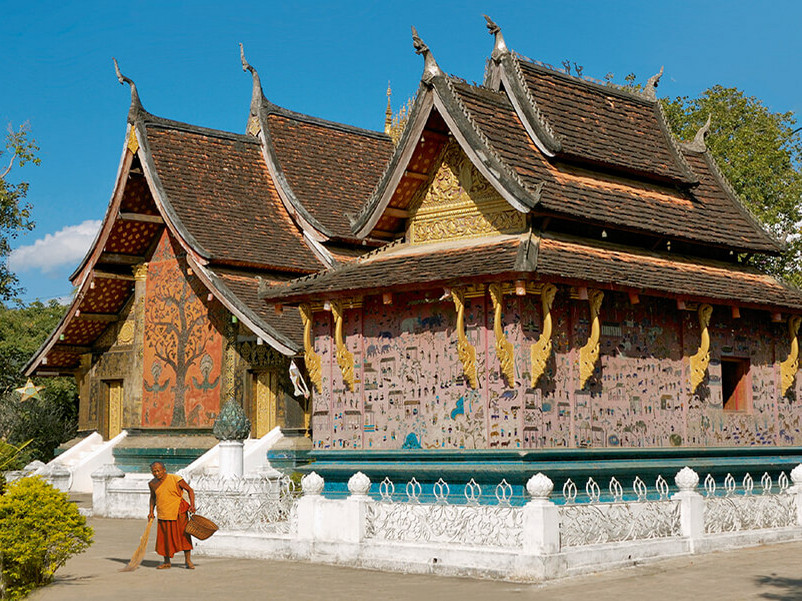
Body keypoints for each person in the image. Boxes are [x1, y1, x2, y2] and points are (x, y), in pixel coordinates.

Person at [148, 461, 196, 569]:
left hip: (179, 511)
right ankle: (166, 562)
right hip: (163, 513)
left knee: (184, 536)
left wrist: (192, 505)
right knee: (164, 538)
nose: (156, 473)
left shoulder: (175, 478)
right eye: (154, 471)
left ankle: (188, 561)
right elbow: (153, 498)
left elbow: (190, 490)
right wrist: (151, 511)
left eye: (158, 470)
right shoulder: (152, 484)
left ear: (164, 470)